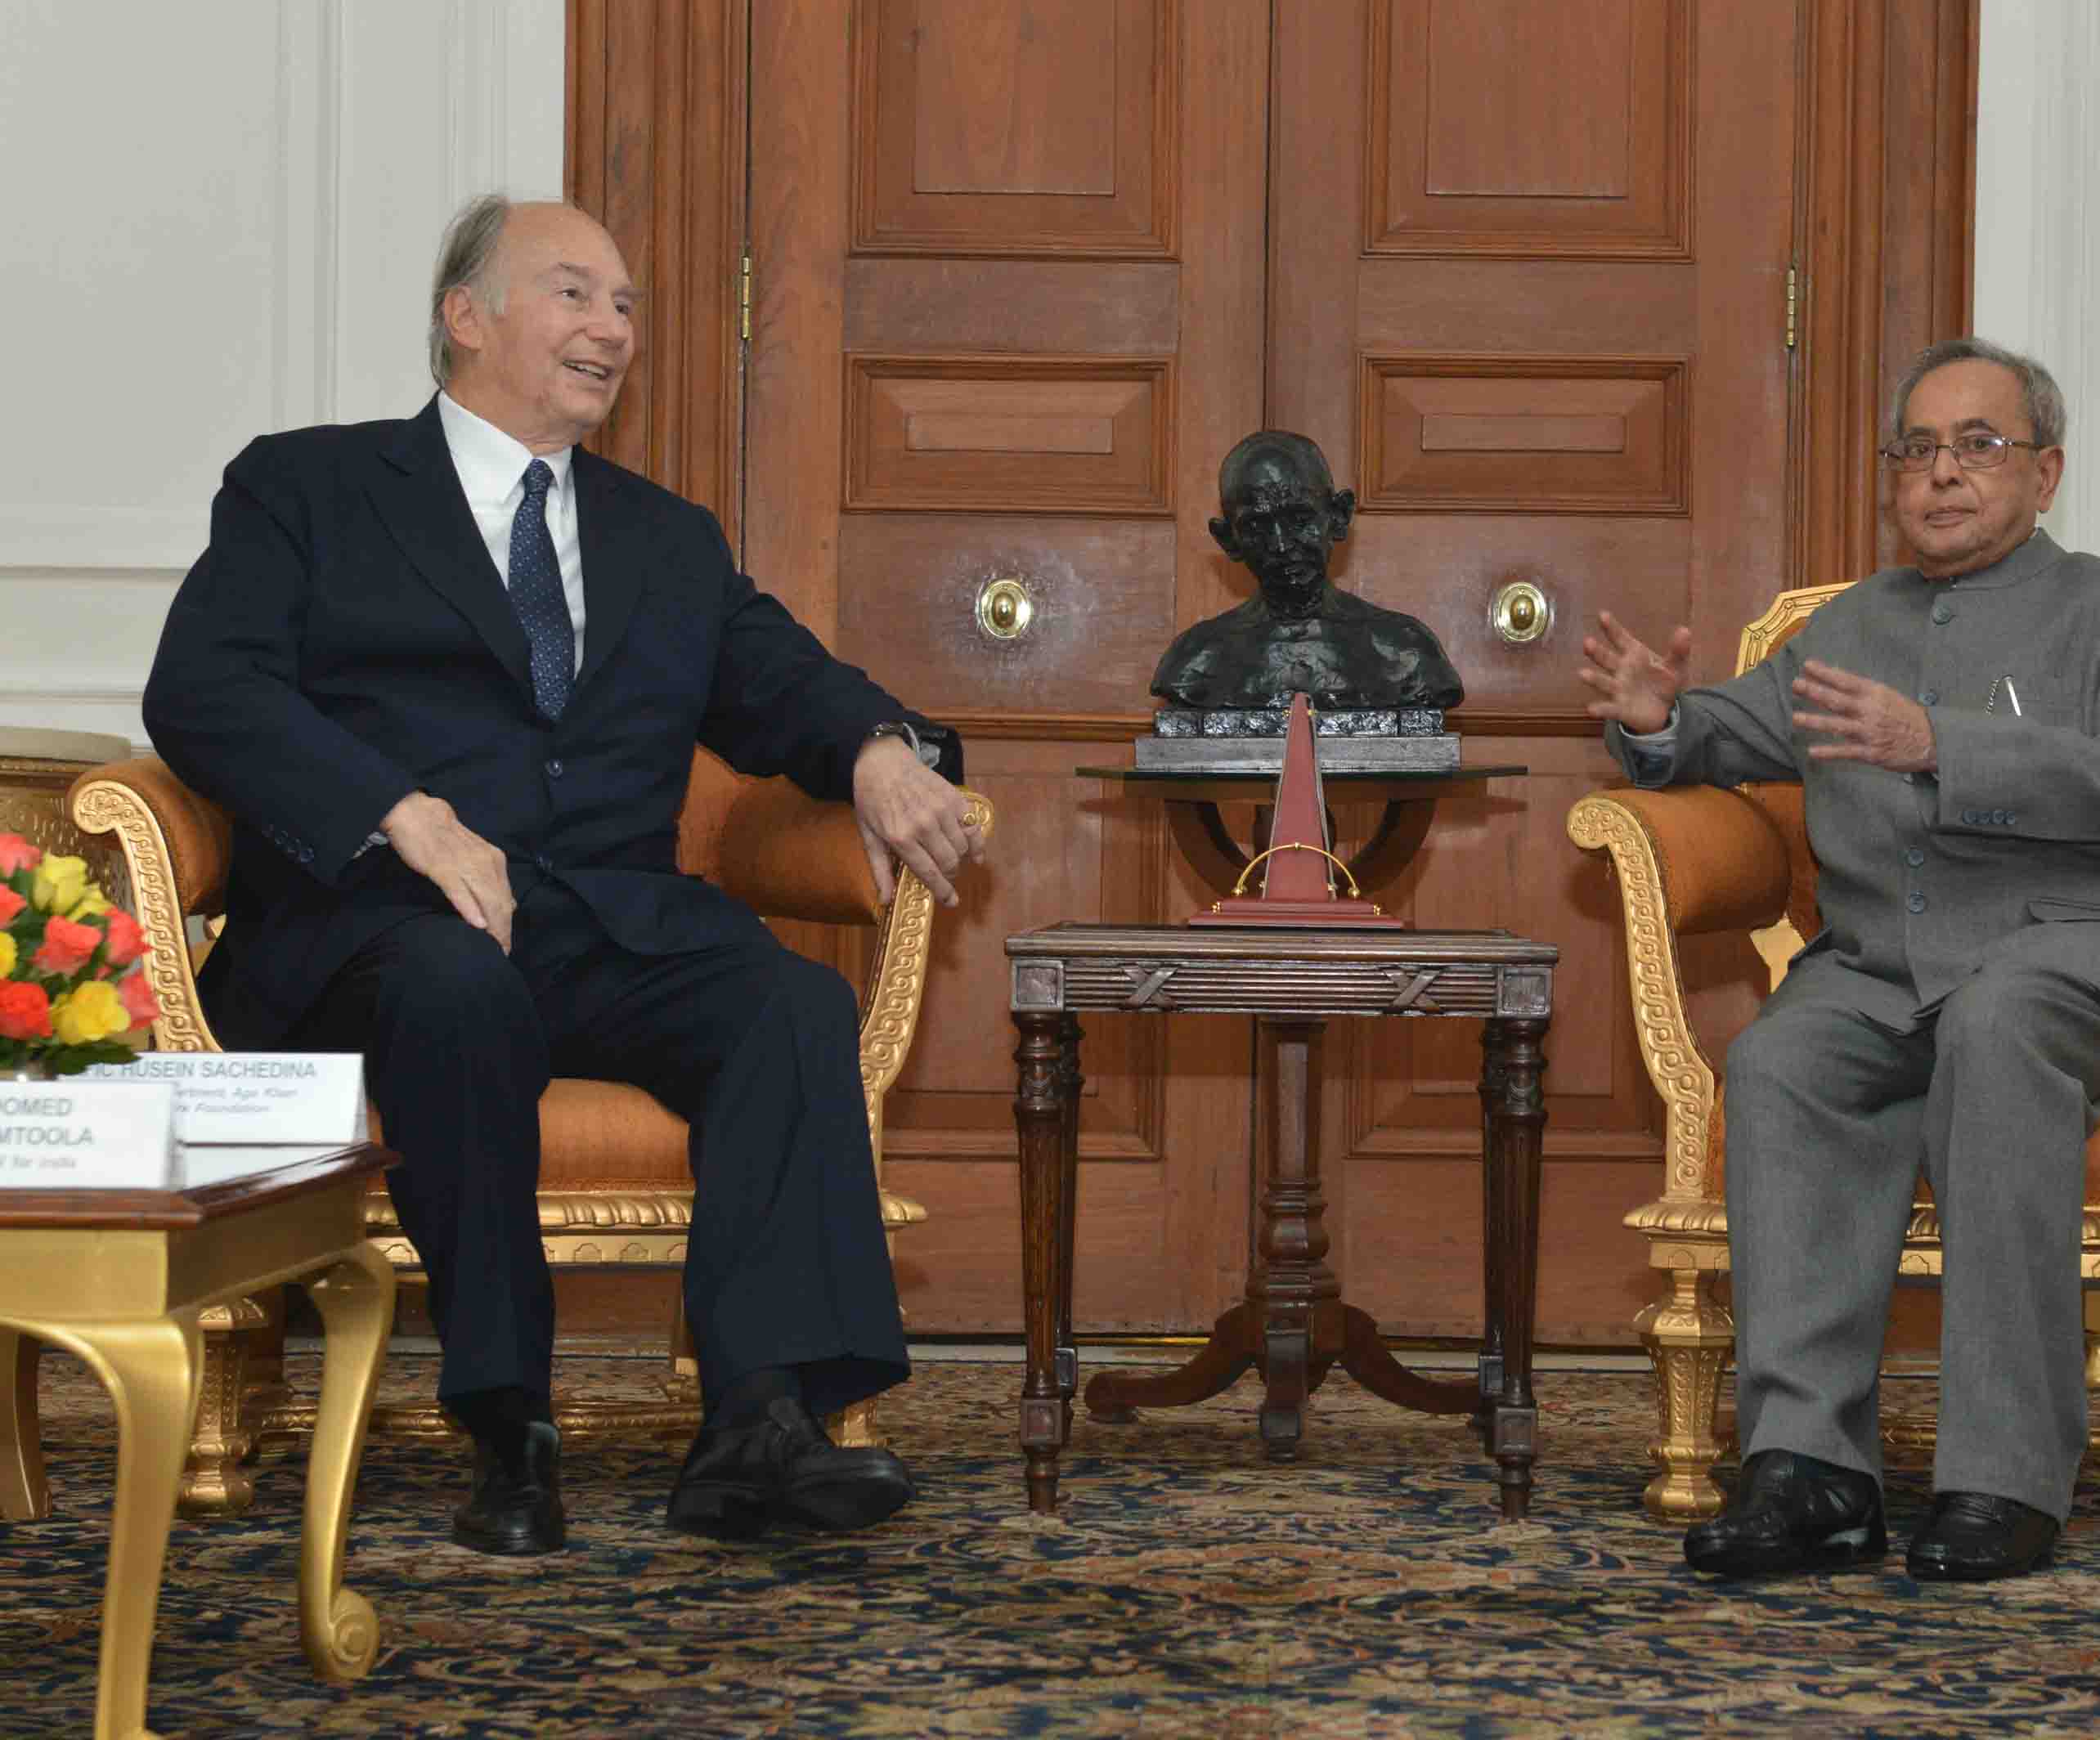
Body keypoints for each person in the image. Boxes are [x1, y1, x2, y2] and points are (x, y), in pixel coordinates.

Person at [143, 195, 985, 1557]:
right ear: (463, 317)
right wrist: (398, 813)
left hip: (600, 920)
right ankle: (508, 1417)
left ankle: (758, 1422)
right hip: (379, 927)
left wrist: (882, 749)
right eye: (576, 294)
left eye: (627, 305)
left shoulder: (666, 537)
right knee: (457, 986)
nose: (613, 328)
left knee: (788, 1007)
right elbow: (203, 690)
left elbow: (780, 685)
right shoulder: (310, 488)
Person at [1577, 338, 2100, 1583]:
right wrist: (1661, 719)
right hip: (1881, 969)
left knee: (1997, 1024)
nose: (1941, 475)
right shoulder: (1848, 624)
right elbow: (1731, 728)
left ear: (2046, 471)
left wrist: (1940, 742)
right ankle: (1811, 1473)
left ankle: (2004, 1480)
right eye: (1917, 450)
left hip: (2077, 952)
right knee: (1781, 1058)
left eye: (1976, 446)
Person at [1150, 431, 1464, 711]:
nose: (1282, 545)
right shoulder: (1195, 662)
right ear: (1229, 539)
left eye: (1300, 519)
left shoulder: (1406, 653)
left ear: (1338, 517)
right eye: (1257, 526)